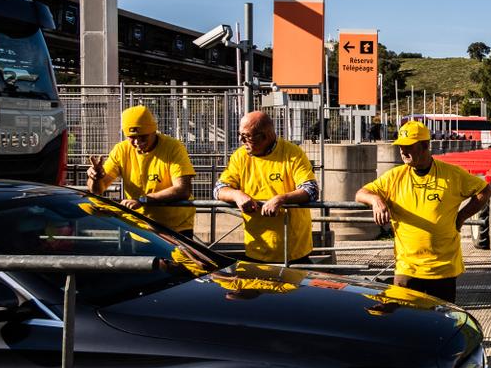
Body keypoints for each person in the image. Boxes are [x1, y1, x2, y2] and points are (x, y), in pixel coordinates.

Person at [355, 120, 491, 302]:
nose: (403, 151)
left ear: (425, 145)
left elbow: (485, 190)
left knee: (441, 322)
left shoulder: (452, 175)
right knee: (405, 321)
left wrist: (461, 217)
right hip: (408, 269)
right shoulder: (395, 176)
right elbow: (361, 193)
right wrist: (376, 200)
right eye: (400, 146)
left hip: (443, 269)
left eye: (409, 146)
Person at [214, 111, 318, 264]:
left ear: (265, 136)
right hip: (256, 249)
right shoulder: (240, 156)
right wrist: (237, 195)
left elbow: (311, 190)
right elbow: (219, 188)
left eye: (246, 136)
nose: (241, 140)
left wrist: (280, 199)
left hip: (293, 252)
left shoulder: (292, 154)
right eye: (240, 134)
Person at [86, 105, 196, 236]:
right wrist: (95, 178)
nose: (137, 142)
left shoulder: (173, 147)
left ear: (154, 131)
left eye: (143, 136)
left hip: (176, 228)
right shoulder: (121, 150)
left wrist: (143, 200)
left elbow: (182, 189)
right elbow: (97, 190)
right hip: (139, 227)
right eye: (131, 137)